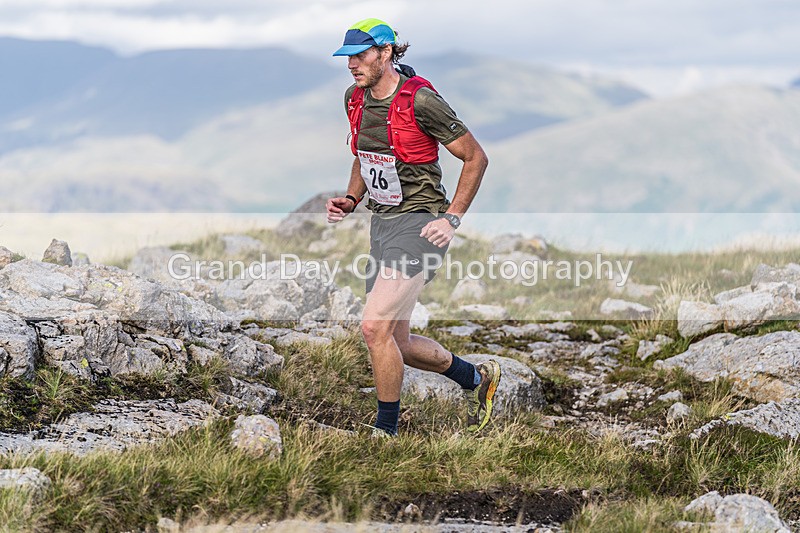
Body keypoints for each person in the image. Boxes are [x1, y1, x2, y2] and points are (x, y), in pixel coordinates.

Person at [326, 18, 498, 437]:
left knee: (373, 327)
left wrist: (451, 217)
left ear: (386, 53)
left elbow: (476, 157)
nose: (352, 65)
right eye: (348, 57)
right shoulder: (355, 98)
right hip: (382, 224)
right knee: (397, 342)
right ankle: (478, 380)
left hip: (420, 224)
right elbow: (365, 154)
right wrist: (352, 198)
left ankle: (385, 434)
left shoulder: (422, 101)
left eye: (361, 55)